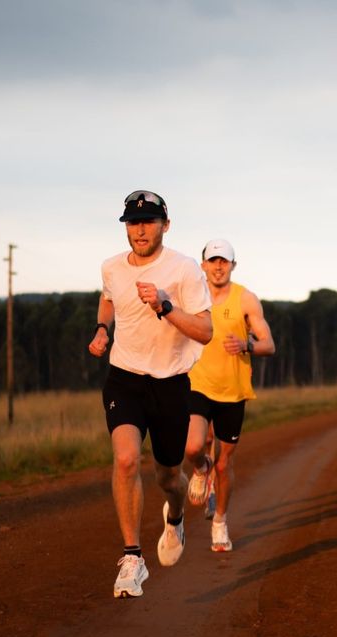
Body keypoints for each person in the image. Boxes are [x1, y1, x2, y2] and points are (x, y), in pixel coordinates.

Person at [88, 189, 213, 599]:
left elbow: (205, 331)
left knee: (168, 477)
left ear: (165, 225)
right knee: (125, 459)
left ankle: (175, 517)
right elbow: (108, 301)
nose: (140, 230)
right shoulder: (111, 267)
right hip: (125, 378)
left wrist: (164, 306)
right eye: (132, 222)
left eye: (148, 222)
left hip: (171, 384)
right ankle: (132, 558)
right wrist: (103, 330)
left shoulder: (184, 270)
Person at [183, 238, 276, 552]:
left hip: (233, 392)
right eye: (213, 261)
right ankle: (199, 468)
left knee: (224, 465)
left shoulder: (246, 299)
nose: (218, 266)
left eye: (224, 261)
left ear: (232, 265)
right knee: (194, 445)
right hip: (197, 383)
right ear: (203, 265)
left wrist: (246, 345)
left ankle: (220, 522)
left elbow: (269, 344)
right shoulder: (192, 297)